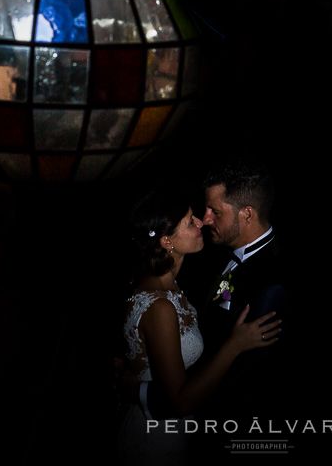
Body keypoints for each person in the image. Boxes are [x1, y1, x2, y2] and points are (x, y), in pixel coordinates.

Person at [116, 190, 281, 465]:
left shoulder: (165, 284)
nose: (202, 222)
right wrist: (235, 344)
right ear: (167, 241)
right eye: (190, 221)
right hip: (158, 440)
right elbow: (179, 401)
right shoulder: (160, 306)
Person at [140, 158, 294, 426]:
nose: (205, 219)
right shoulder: (219, 255)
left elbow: (240, 380)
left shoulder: (273, 284)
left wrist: (143, 393)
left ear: (247, 214)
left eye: (215, 211)